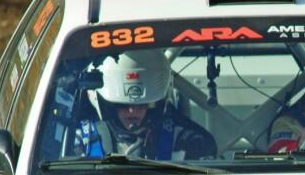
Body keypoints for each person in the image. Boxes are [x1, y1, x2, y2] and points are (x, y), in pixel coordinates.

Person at [76, 49, 216, 160]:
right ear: (106, 105)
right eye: (122, 106)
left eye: (142, 105)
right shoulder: (79, 139)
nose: (132, 111)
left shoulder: (190, 141)